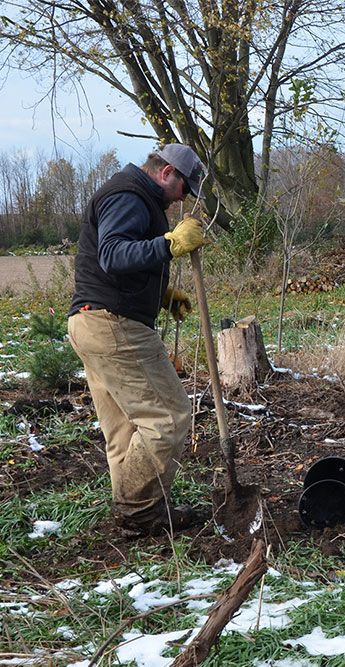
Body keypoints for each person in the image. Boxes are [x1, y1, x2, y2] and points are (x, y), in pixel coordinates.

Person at [68, 144, 207, 536]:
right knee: (170, 416)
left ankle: (136, 516)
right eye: (184, 190)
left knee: (125, 431)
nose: (182, 201)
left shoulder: (129, 195)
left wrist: (159, 295)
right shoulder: (129, 195)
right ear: (166, 174)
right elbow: (113, 254)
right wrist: (169, 244)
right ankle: (137, 510)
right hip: (113, 326)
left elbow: (112, 262)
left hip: (92, 322)